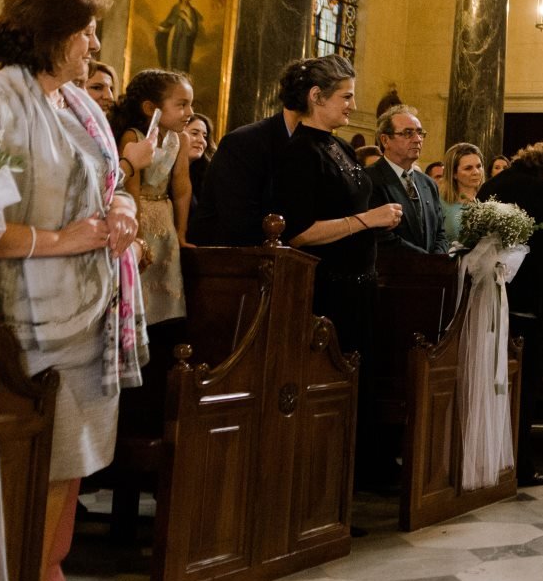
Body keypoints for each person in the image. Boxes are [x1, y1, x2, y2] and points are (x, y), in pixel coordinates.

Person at [0, 0, 155, 581]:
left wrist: (122, 215)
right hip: (20, 317)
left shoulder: (78, 102)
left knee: (69, 463)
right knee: (30, 463)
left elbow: (113, 186)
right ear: (51, 34)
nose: (96, 44)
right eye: (86, 31)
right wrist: (65, 239)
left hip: (88, 309)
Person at [271, 55, 403, 358]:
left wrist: (379, 220)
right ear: (317, 97)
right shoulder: (300, 152)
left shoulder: (340, 146)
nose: (353, 106)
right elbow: (299, 233)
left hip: (361, 288)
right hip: (330, 292)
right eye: (346, 96)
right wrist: (367, 219)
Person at [478, 141, 543, 482]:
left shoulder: (493, 184)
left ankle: (485, 456)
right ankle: (520, 464)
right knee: (526, 377)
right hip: (532, 297)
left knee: (491, 373)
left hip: (490, 293)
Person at [191, 60, 313, 247]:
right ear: (313, 96)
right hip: (231, 261)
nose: (351, 106)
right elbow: (237, 223)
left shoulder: (316, 147)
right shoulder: (243, 142)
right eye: (344, 97)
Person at [112, 68, 196, 325]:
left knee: (167, 290)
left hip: (165, 220)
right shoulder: (132, 137)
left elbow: (182, 187)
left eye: (190, 105)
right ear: (151, 108)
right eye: (181, 105)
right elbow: (131, 189)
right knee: (142, 286)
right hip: (139, 217)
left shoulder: (179, 139)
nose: (190, 113)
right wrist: (136, 236)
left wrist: (181, 232)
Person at [367, 104, 446, 254]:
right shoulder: (370, 179)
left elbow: (440, 233)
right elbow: (380, 236)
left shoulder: (428, 183)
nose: (417, 139)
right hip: (390, 271)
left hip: (431, 273)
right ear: (385, 140)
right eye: (408, 133)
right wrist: (425, 261)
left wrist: (437, 260)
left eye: (420, 133)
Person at [438, 142, 484, 246]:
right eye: (468, 168)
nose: (476, 172)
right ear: (454, 173)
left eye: (479, 166)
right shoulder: (440, 202)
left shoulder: (488, 198)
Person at [153, 0, 201, 72]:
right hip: (174, 36)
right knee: (172, 57)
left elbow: (193, 29)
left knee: (181, 59)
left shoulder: (192, 11)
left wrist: (186, 18)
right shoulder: (176, 8)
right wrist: (161, 28)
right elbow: (169, 23)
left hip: (185, 40)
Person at [185, 113, 215, 205]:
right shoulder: (164, 172)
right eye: (194, 133)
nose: (201, 140)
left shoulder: (207, 174)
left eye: (204, 136)